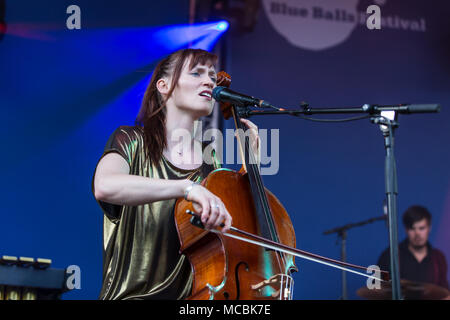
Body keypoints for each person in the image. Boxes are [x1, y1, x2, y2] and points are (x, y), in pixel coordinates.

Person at [91, 48, 260, 300]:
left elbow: (224, 239)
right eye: (196, 73)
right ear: (164, 85)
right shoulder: (130, 140)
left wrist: (250, 171)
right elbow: (105, 186)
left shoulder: (209, 158)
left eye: (212, 77)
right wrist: (187, 188)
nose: (209, 82)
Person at [377, 205, 449, 291]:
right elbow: (377, 289)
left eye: (421, 228)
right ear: (406, 230)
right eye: (412, 228)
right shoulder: (390, 255)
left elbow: (444, 291)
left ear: (429, 228)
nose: (417, 233)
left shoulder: (438, 258)